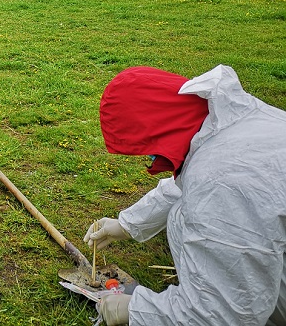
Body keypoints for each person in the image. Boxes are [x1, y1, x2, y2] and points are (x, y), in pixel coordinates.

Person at [83, 65, 286, 326]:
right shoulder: (235, 122)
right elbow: (185, 183)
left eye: (147, 148)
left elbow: (224, 315)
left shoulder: (220, 183)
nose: (149, 158)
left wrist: (137, 310)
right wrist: (126, 224)